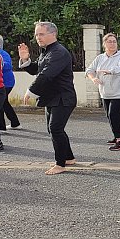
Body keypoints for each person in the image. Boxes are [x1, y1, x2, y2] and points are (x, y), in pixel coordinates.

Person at [18, 21, 77, 175]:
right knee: (54, 129)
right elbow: (37, 69)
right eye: (37, 34)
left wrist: (31, 91)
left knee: (55, 129)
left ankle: (60, 164)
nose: (38, 37)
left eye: (41, 34)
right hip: (52, 98)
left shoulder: (59, 52)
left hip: (63, 98)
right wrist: (25, 60)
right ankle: (68, 157)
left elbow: (47, 75)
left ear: (53, 34)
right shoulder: (47, 51)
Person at [86, 33, 120, 151]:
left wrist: (110, 71)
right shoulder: (100, 58)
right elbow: (90, 70)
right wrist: (94, 78)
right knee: (109, 116)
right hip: (105, 92)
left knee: (114, 114)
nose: (112, 44)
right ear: (104, 44)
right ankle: (116, 136)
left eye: (114, 41)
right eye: (109, 41)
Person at [0, 34, 21, 131]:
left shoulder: (3, 54)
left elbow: (8, 66)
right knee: (3, 102)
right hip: (0, 83)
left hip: (7, 83)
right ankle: (15, 123)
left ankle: (1, 127)